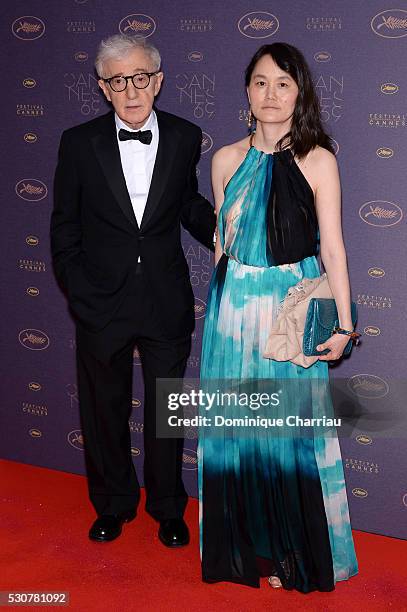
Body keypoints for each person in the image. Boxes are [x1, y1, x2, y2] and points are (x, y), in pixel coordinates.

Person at [198, 43, 358, 593]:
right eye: (261, 82)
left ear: (300, 93)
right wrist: (220, 315)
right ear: (247, 91)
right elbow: (223, 242)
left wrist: (342, 326)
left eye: (283, 84)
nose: (271, 94)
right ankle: (248, 552)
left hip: (288, 316)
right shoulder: (223, 160)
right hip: (232, 318)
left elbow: (334, 249)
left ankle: (295, 553)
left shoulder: (319, 159)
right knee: (238, 436)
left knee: (289, 438)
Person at [50, 34, 215, 546]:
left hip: (165, 299)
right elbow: (64, 229)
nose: (131, 90)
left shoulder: (187, 136)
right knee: (104, 409)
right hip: (102, 302)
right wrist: (81, 293)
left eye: (140, 77)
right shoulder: (79, 143)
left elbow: (186, 203)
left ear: (158, 81)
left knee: (167, 410)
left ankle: (168, 507)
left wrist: (225, 230)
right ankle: (114, 504)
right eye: (118, 81)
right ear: (103, 88)